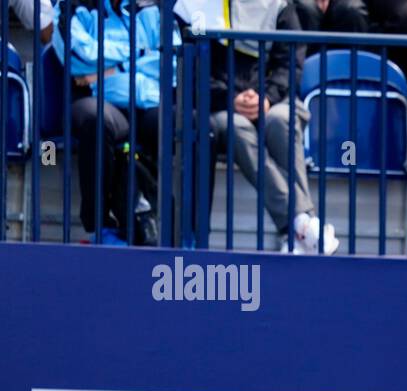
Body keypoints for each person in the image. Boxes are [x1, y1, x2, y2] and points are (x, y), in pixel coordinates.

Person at [178, 0, 339, 253]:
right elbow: (192, 69)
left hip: (273, 100)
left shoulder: (279, 5)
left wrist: (267, 97)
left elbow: (290, 62)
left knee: (281, 121)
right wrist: (230, 98)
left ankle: (295, 233)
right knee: (235, 127)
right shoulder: (191, 7)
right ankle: (300, 223)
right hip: (222, 105)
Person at [54, 0, 179, 245]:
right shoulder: (73, 7)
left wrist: (110, 67)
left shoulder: (154, 9)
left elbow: (172, 63)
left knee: (196, 126)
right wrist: (140, 52)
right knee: (97, 120)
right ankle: (101, 227)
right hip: (97, 99)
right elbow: (76, 56)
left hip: (150, 102)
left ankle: (185, 233)